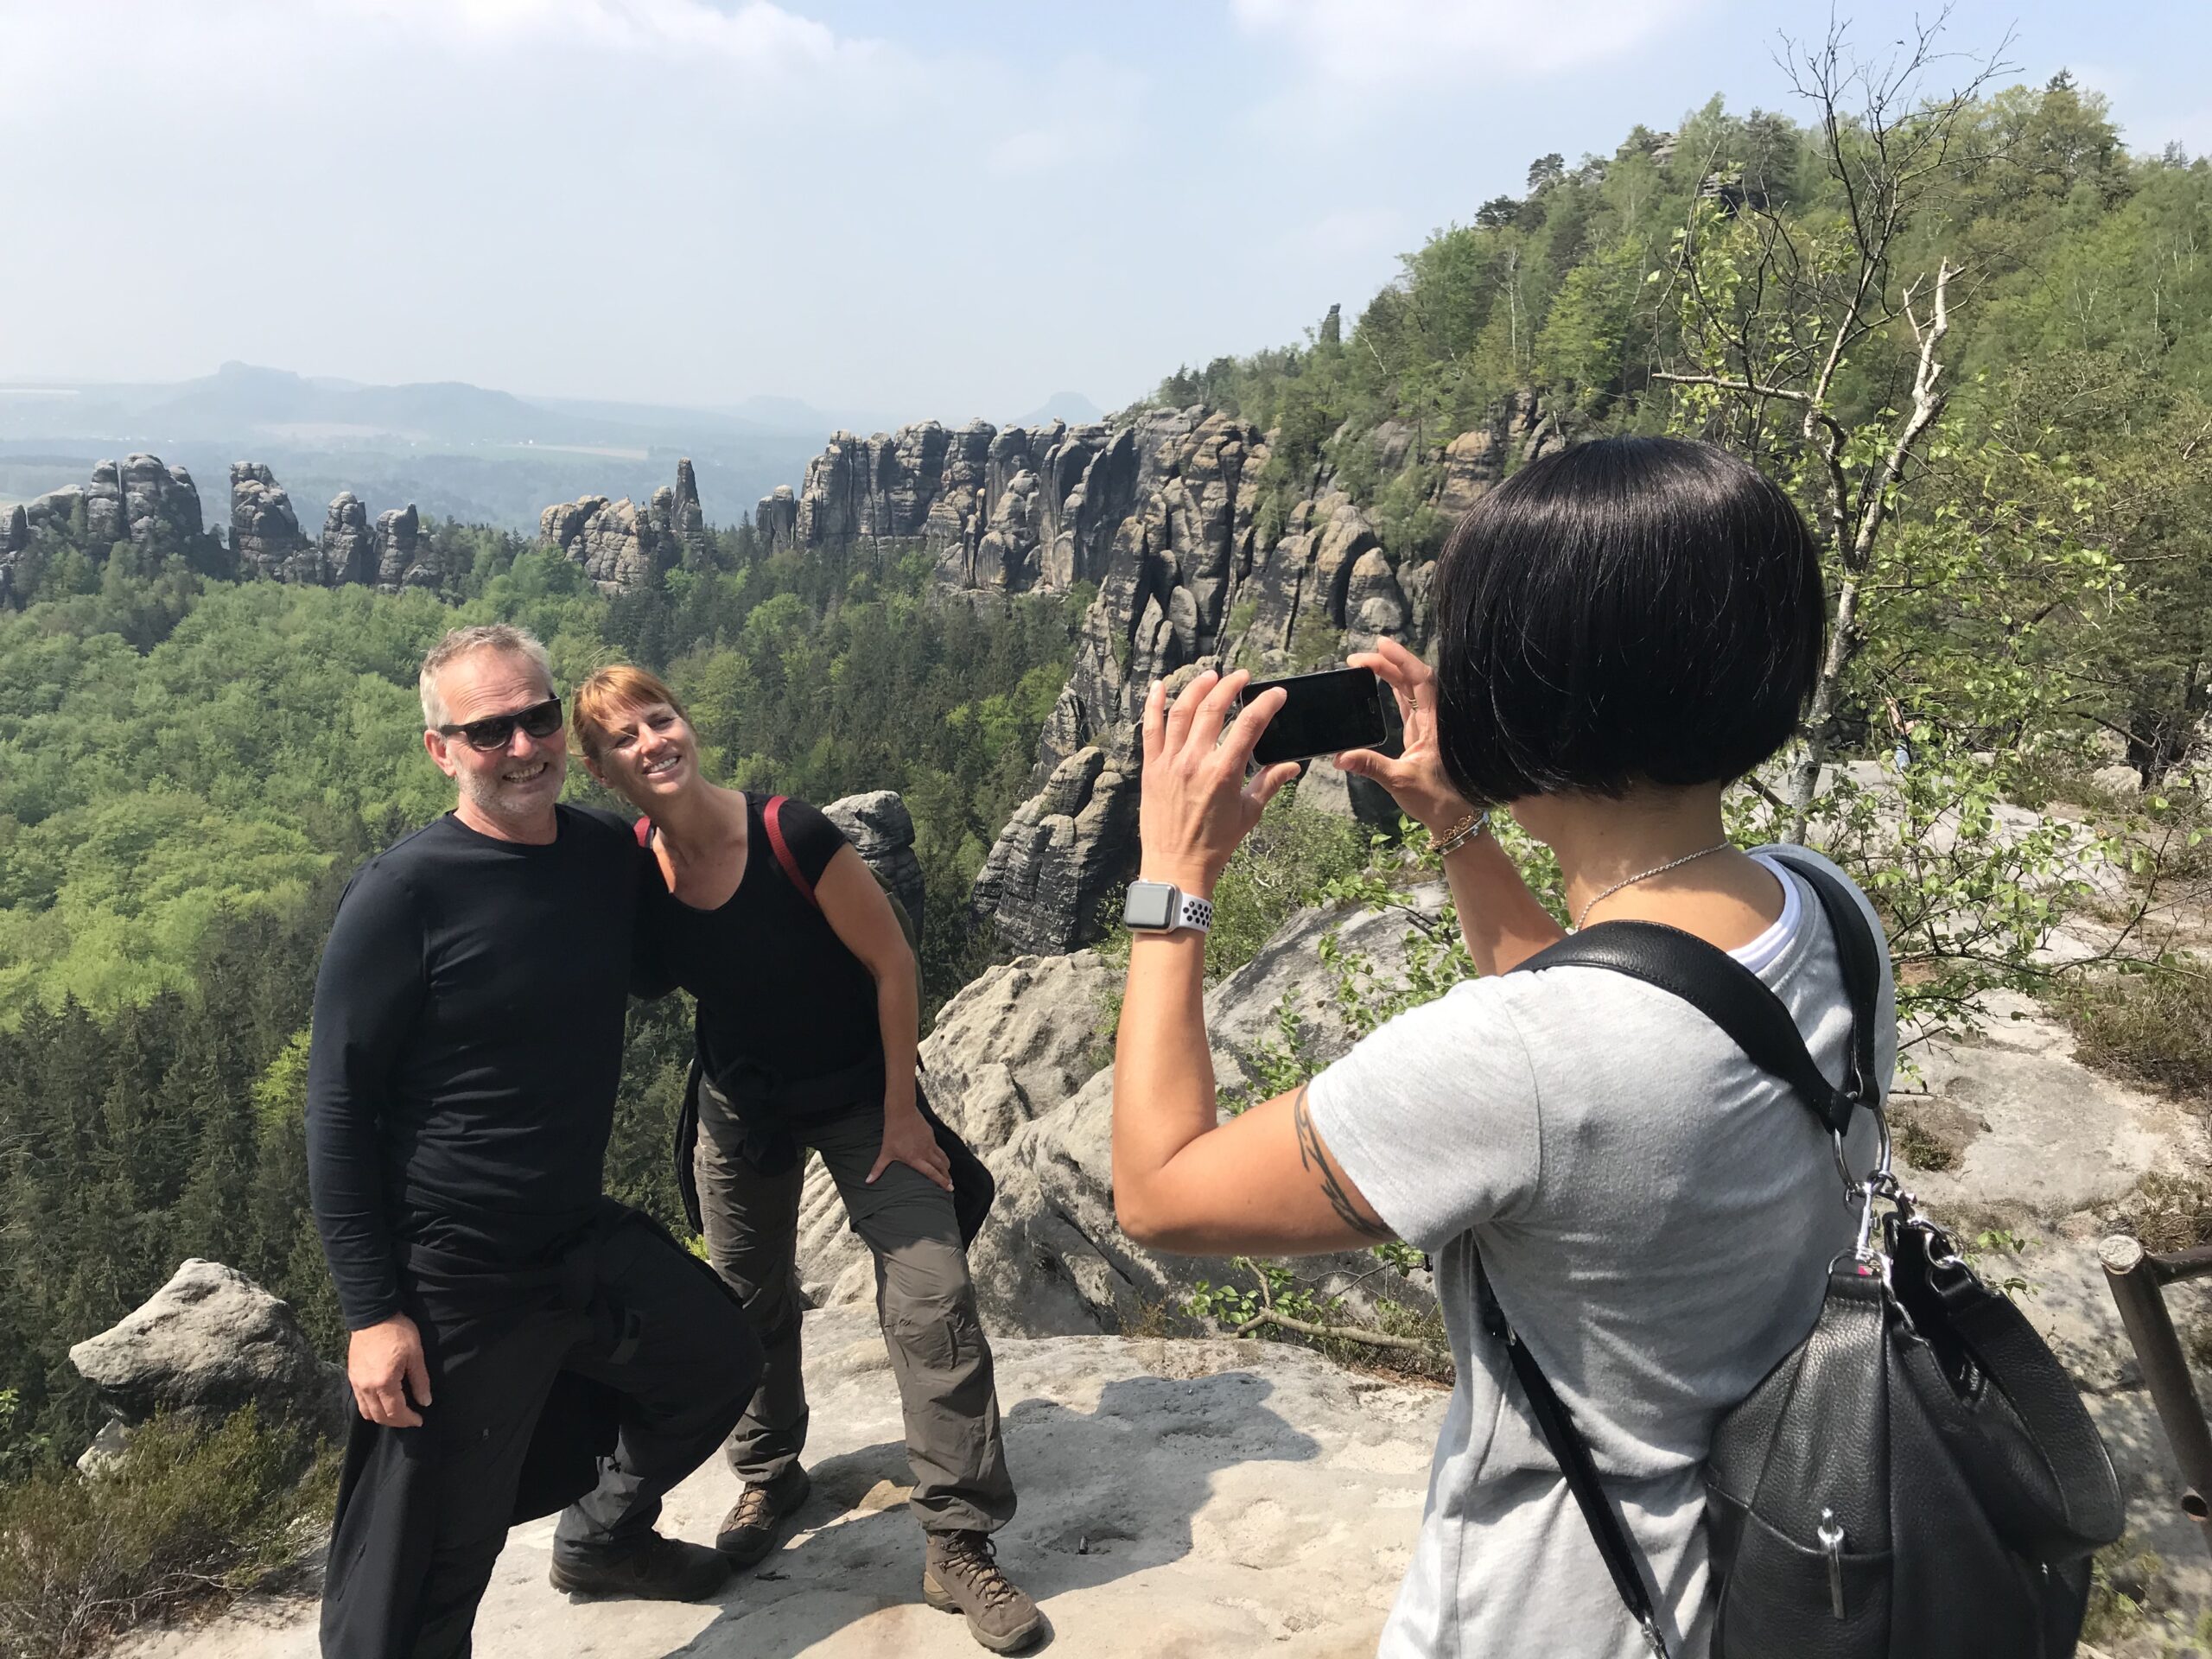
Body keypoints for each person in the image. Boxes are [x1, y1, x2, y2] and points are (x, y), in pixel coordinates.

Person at [1110, 437, 1895, 1659]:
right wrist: (1460, 827)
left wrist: (1172, 881)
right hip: (1789, 1560)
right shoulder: (1826, 907)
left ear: (1525, 697)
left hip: (1565, 1612)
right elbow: (1624, 1017)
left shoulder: (1512, 1059)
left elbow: (1160, 1193)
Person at [307, 625, 765, 1659]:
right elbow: (335, 1109)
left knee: (714, 1362)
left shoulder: (601, 855)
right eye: (488, 731)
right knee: (423, 1568)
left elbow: (672, 957)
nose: (522, 747)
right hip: (454, 1272)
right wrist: (372, 1313)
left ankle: (604, 1540)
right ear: (441, 750)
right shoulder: (404, 896)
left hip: (575, 1238)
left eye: (538, 717)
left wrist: (797, 884)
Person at [572, 664, 1043, 1656]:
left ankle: (957, 1540)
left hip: (863, 1099)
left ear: (685, 723)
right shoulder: (639, 872)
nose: (653, 741)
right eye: (624, 738)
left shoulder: (791, 834)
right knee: (744, 1301)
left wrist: (903, 1113)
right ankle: (770, 1473)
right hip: (740, 1108)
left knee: (931, 1296)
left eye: (660, 718)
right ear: (602, 770)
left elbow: (892, 961)